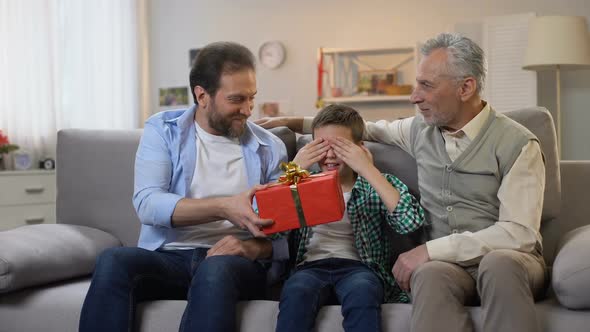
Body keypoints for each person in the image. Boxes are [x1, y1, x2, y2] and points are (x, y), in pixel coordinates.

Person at [257, 33, 547, 332]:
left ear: (466, 87)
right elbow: (364, 129)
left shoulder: (518, 143)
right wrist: (293, 123)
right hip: (449, 266)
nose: (414, 96)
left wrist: (430, 250)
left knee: (497, 265)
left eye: (427, 85)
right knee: (430, 275)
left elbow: (518, 234)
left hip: (511, 261)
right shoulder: (419, 129)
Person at [79, 41, 288, 332]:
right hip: (170, 257)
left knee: (216, 270)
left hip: (234, 261)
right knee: (114, 260)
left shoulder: (269, 146)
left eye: (252, 98)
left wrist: (252, 247)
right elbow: (148, 204)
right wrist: (224, 207)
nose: (248, 109)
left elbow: (288, 229)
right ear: (202, 96)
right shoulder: (162, 131)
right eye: (237, 99)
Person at [275, 104, 424, 332]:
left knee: (363, 292)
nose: (330, 155)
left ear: (359, 149)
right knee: (296, 292)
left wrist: (368, 170)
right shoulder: (300, 183)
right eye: (321, 146)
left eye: (340, 147)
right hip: (309, 267)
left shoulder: (375, 183)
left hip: (359, 268)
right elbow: (269, 228)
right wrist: (293, 172)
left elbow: (410, 222)